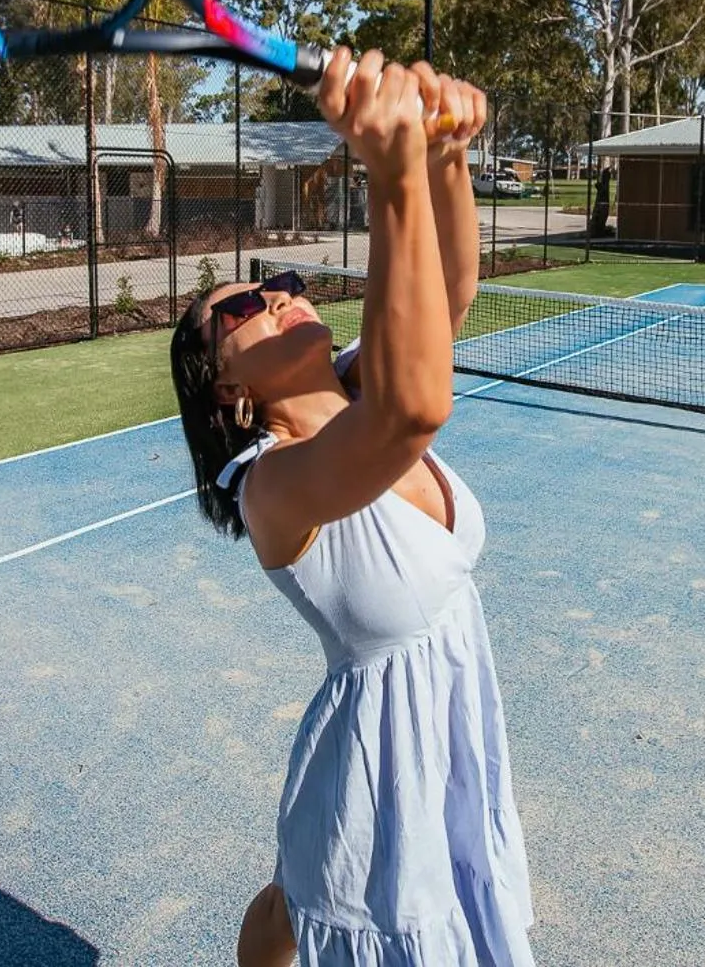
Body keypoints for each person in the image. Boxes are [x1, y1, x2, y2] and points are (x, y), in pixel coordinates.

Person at [170, 50, 534, 967]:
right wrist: (391, 168)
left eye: (281, 280)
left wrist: (444, 154)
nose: (282, 292)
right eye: (246, 305)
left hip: (449, 709)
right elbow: (414, 409)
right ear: (229, 393)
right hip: (380, 752)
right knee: (345, 910)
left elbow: (446, 296)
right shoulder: (273, 486)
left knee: (305, 894)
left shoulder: (349, 384)